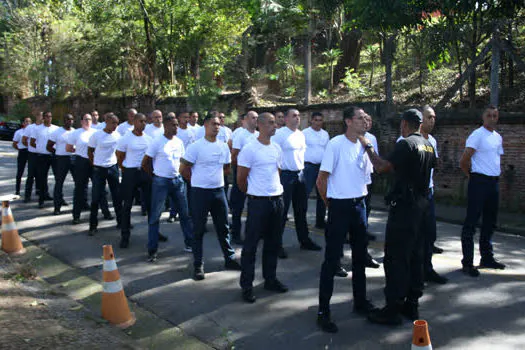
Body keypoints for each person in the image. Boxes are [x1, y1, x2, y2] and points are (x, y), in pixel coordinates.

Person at [361, 109, 436, 325]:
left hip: (405, 208)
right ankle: (412, 304)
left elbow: (382, 166)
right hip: (421, 206)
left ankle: (392, 309)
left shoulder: (406, 143)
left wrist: (368, 147)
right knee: (415, 255)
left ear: (404, 124)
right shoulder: (427, 144)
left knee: (395, 258)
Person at [315, 106, 376, 333]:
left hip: (359, 204)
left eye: (365, 118)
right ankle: (323, 311)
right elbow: (321, 181)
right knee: (331, 260)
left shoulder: (365, 144)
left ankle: (360, 302)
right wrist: (331, 204)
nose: (364, 121)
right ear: (348, 122)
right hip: (339, 205)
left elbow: (367, 176)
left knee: (360, 258)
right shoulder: (336, 144)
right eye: (360, 118)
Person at [180, 113, 241, 281]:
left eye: (219, 124)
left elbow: (227, 168)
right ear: (205, 125)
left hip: (218, 192)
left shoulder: (223, 146)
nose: (217, 126)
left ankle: (229, 258)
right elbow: (183, 169)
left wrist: (214, 178)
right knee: (198, 229)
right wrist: (198, 181)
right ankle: (198, 264)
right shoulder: (196, 146)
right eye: (214, 124)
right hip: (200, 192)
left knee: (223, 227)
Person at [237, 112, 288, 303]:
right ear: (260, 125)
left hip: (277, 200)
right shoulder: (250, 149)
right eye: (271, 123)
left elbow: (278, 171)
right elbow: (241, 179)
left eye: (275, 123)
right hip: (258, 202)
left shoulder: (276, 147)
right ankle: (247, 286)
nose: (275, 126)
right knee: (251, 246)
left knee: (273, 243)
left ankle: (270, 279)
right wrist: (254, 194)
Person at [459, 105, 505, 277]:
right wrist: (471, 176)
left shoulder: (497, 137)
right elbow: (464, 160)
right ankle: (467, 262)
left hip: (493, 182)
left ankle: (487, 257)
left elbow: (495, 159)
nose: (492, 118)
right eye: (489, 115)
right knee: (471, 223)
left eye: (495, 116)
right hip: (478, 181)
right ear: (483, 117)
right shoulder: (477, 135)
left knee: (490, 222)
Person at [271, 109, 321, 258]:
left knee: (301, 210)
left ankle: (304, 240)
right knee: (282, 212)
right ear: (285, 119)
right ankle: (276, 245)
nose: (297, 118)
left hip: (300, 175)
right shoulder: (279, 135)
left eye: (299, 116)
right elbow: (273, 155)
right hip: (285, 176)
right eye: (294, 116)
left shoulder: (300, 134)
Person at [142, 114, 193, 260]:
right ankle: (152, 249)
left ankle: (189, 243)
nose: (176, 127)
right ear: (166, 126)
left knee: (185, 214)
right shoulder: (156, 142)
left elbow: (183, 161)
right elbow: (145, 162)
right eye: (173, 125)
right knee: (155, 217)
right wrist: (155, 175)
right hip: (161, 182)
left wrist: (184, 176)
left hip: (177, 181)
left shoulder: (179, 142)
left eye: (177, 125)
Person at [419, 106, 447, 284]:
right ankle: (413, 273)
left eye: (434, 117)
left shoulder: (433, 141)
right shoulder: (408, 140)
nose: (432, 120)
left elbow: (434, 165)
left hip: (428, 192)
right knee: (415, 236)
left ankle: (427, 269)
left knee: (429, 234)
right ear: (420, 119)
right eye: (429, 117)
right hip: (414, 194)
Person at [67, 114, 112, 224]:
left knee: (100, 188)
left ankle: (106, 212)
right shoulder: (76, 133)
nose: (87, 121)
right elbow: (68, 148)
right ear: (81, 121)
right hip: (81, 162)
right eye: (85, 119)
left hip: (95, 162)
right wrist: (79, 152)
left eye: (89, 119)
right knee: (79, 189)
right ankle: (76, 216)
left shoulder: (96, 132)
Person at [116, 113, 153, 248]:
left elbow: (150, 157)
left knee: (150, 205)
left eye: (145, 122)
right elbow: (119, 156)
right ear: (135, 122)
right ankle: (125, 236)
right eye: (141, 121)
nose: (143, 124)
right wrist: (125, 169)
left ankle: (154, 232)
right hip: (130, 172)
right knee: (127, 205)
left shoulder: (149, 139)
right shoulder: (126, 138)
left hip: (145, 172)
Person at [87, 113, 122, 235]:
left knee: (117, 196)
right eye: (113, 123)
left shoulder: (117, 135)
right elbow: (90, 151)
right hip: (99, 169)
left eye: (117, 123)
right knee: (96, 197)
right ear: (106, 121)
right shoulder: (96, 135)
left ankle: (121, 222)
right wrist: (94, 164)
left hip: (113, 168)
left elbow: (119, 151)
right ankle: (92, 226)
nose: (115, 126)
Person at [230, 111, 259, 244]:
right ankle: (236, 233)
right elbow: (234, 155)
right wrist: (241, 170)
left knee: (254, 205)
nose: (255, 120)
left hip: (255, 174)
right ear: (246, 119)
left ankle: (252, 233)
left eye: (257, 118)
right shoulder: (241, 135)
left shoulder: (259, 135)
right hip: (242, 173)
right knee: (238, 206)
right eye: (253, 118)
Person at [302, 112, 329, 229]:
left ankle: (320, 221)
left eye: (320, 120)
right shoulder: (304, 133)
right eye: (316, 120)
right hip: (308, 167)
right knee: (304, 194)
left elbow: (328, 150)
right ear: (311, 120)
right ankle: (301, 220)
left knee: (322, 195)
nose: (318, 123)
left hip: (322, 167)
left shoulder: (325, 134)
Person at [47, 114, 75, 215]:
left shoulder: (74, 131)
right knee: (59, 183)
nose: (70, 121)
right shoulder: (57, 132)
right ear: (64, 121)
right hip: (61, 158)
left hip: (73, 158)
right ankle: (57, 207)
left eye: (71, 119)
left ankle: (82, 204)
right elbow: (49, 146)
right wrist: (57, 152)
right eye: (68, 119)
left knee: (79, 182)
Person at [31, 111, 58, 208]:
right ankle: (41, 199)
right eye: (46, 116)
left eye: (50, 116)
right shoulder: (38, 129)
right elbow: (32, 142)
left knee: (58, 177)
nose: (48, 118)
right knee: (42, 178)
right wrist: (40, 148)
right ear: (43, 118)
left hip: (53, 155)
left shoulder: (56, 129)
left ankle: (59, 198)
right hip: (42, 156)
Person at [12, 117, 32, 195]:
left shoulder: (33, 132)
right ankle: (17, 190)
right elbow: (14, 143)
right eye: (26, 121)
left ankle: (31, 191)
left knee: (32, 172)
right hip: (23, 151)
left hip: (31, 152)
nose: (28, 123)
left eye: (29, 121)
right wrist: (20, 149)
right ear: (23, 123)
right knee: (20, 171)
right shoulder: (19, 132)